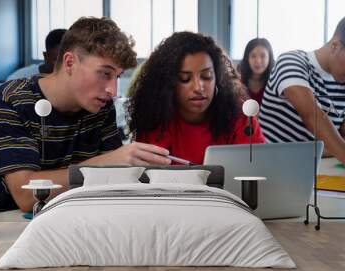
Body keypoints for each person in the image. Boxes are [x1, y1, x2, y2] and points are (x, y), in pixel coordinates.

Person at [0, 17, 171, 212]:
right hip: (11, 227)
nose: (113, 90)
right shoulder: (11, 100)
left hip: (80, 218)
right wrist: (107, 162)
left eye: (117, 76)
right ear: (70, 63)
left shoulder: (101, 107)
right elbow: (26, 196)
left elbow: (114, 183)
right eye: (105, 73)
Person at [127, 31, 265, 165]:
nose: (198, 87)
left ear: (218, 79)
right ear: (168, 84)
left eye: (207, 76)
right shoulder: (155, 120)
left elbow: (258, 169)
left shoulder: (241, 117)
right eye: (185, 79)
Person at [258, 17, 345, 164]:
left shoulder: (341, 79)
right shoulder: (291, 61)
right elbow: (311, 113)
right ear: (335, 45)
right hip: (270, 167)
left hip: (313, 170)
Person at [237, 38, 274, 105]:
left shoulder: (275, 83)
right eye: (253, 56)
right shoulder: (237, 82)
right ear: (247, 58)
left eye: (263, 56)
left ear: (269, 58)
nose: (258, 61)